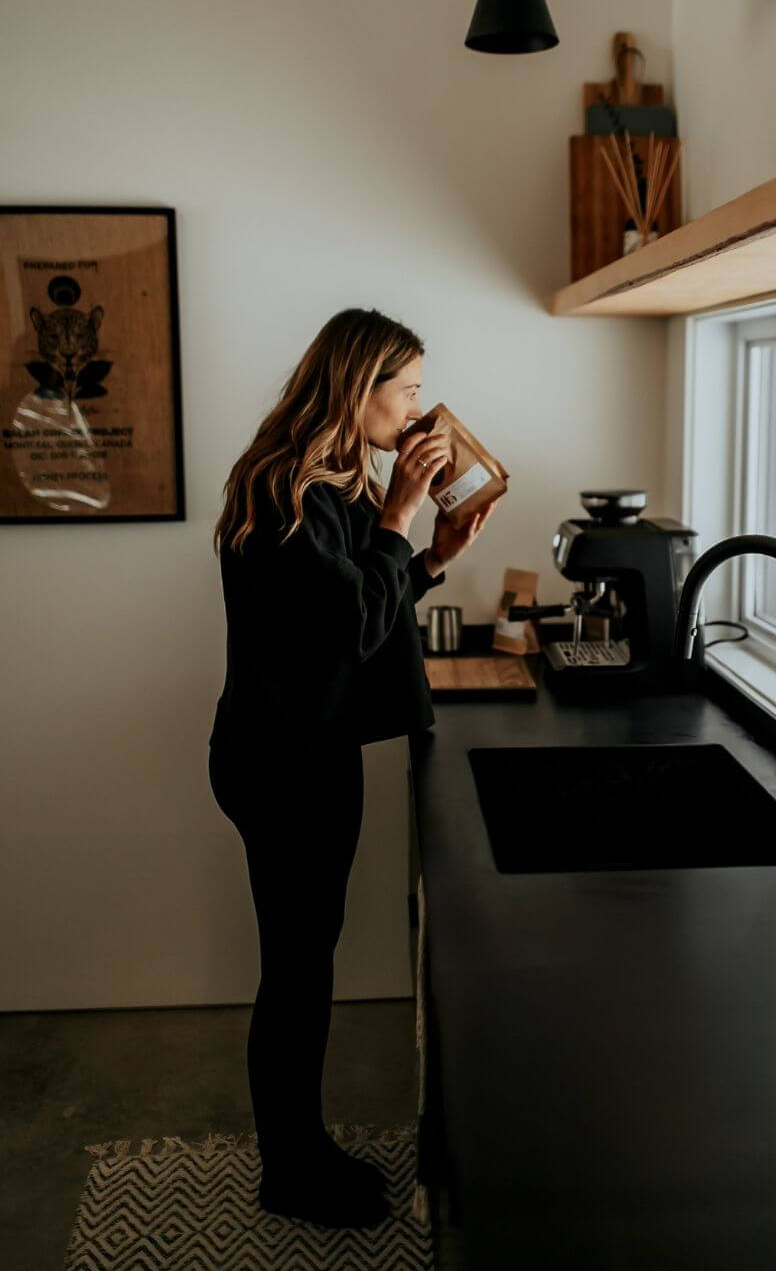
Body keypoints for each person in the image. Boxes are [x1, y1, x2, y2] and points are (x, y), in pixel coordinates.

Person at [207, 307, 495, 1229]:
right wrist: (403, 516)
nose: (418, 408)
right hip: (283, 761)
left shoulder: (327, 481)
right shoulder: (285, 487)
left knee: (306, 966)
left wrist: (433, 560)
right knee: (296, 972)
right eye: (407, 389)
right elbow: (349, 625)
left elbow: (360, 606)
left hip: (302, 749)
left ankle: (301, 1150)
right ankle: (288, 1173)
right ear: (357, 386)